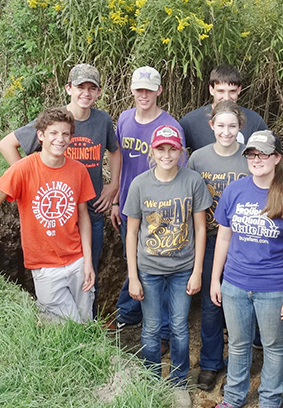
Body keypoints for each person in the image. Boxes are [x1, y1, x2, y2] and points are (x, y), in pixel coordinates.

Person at [0, 64, 121, 317]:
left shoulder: (102, 121)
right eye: (80, 87)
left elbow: (114, 151)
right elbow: (7, 144)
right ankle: (60, 325)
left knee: (89, 275)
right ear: (69, 89)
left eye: (92, 88)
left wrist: (114, 184)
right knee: (54, 276)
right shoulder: (56, 121)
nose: (85, 93)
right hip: (55, 214)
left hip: (91, 212)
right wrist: (28, 180)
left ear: (98, 92)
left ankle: (90, 325)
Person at [0, 108, 96, 323]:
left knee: (86, 322)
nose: (60, 139)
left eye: (65, 134)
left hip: (77, 261)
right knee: (67, 328)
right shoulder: (22, 169)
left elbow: (83, 216)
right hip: (45, 267)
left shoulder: (78, 170)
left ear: (71, 138)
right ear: (40, 135)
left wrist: (88, 261)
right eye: (53, 133)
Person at [123, 125, 212, 404]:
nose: (166, 154)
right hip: (148, 269)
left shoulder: (192, 181)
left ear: (181, 151)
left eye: (172, 148)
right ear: (152, 151)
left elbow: (200, 229)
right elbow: (132, 233)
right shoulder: (140, 184)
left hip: (182, 268)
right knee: (150, 328)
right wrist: (133, 277)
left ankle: (178, 381)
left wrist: (197, 271)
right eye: (161, 148)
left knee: (178, 326)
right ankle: (151, 381)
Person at [211, 130, 283, 408]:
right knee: (237, 344)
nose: (257, 159)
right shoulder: (235, 190)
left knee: (273, 346)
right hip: (234, 283)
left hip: (273, 286)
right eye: (251, 154)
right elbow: (223, 237)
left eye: (264, 154)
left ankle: (270, 400)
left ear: (277, 158)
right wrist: (215, 279)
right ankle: (234, 398)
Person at [110, 66, 185, 352]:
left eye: (149, 90)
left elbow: (180, 169)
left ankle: (158, 329)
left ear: (159, 91)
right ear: (131, 90)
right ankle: (128, 316)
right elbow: (119, 163)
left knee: (155, 271)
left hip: (159, 213)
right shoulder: (124, 119)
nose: (144, 95)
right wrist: (116, 200)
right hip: (130, 205)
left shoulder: (169, 126)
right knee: (137, 266)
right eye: (139, 90)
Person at [187, 100, 249, 391]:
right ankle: (211, 362)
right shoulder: (198, 159)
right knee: (212, 304)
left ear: (240, 128)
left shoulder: (249, 158)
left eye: (232, 126)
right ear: (211, 125)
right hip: (210, 239)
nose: (226, 132)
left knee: (242, 303)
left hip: (245, 242)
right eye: (221, 125)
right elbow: (186, 195)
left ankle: (242, 363)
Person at [180, 64, 268, 152]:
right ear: (211, 90)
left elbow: (269, 154)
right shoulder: (191, 122)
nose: (226, 97)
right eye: (221, 91)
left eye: (232, 91)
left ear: (239, 90)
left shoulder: (255, 121)